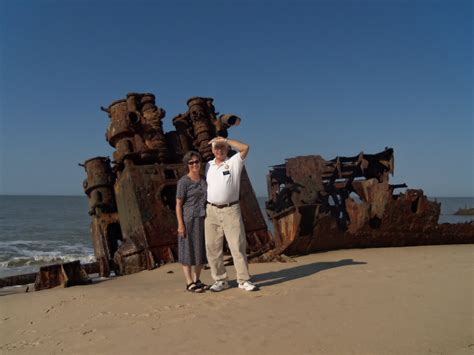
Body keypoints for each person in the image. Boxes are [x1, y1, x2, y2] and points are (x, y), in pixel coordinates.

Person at [205, 136, 258, 292]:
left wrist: (225, 140)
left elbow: (245, 147)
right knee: (212, 247)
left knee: (237, 245)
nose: (219, 150)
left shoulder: (233, 162)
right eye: (216, 147)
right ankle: (220, 280)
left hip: (230, 210)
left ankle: (243, 280)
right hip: (211, 211)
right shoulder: (208, 165)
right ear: (212, 150)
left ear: (226, 148)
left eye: (221, 147)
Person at [176, 151, 209, 293]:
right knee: (187, 250)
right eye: (191, 162)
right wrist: (180, 224)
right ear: (187, 165)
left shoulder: (203, 179)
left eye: (197, 161)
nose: (195, 164)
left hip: (202, 218)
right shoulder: (183, 182)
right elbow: (178, 204)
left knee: (200, 250)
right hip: (188, 220)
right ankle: (189, 282)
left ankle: (197, 280)